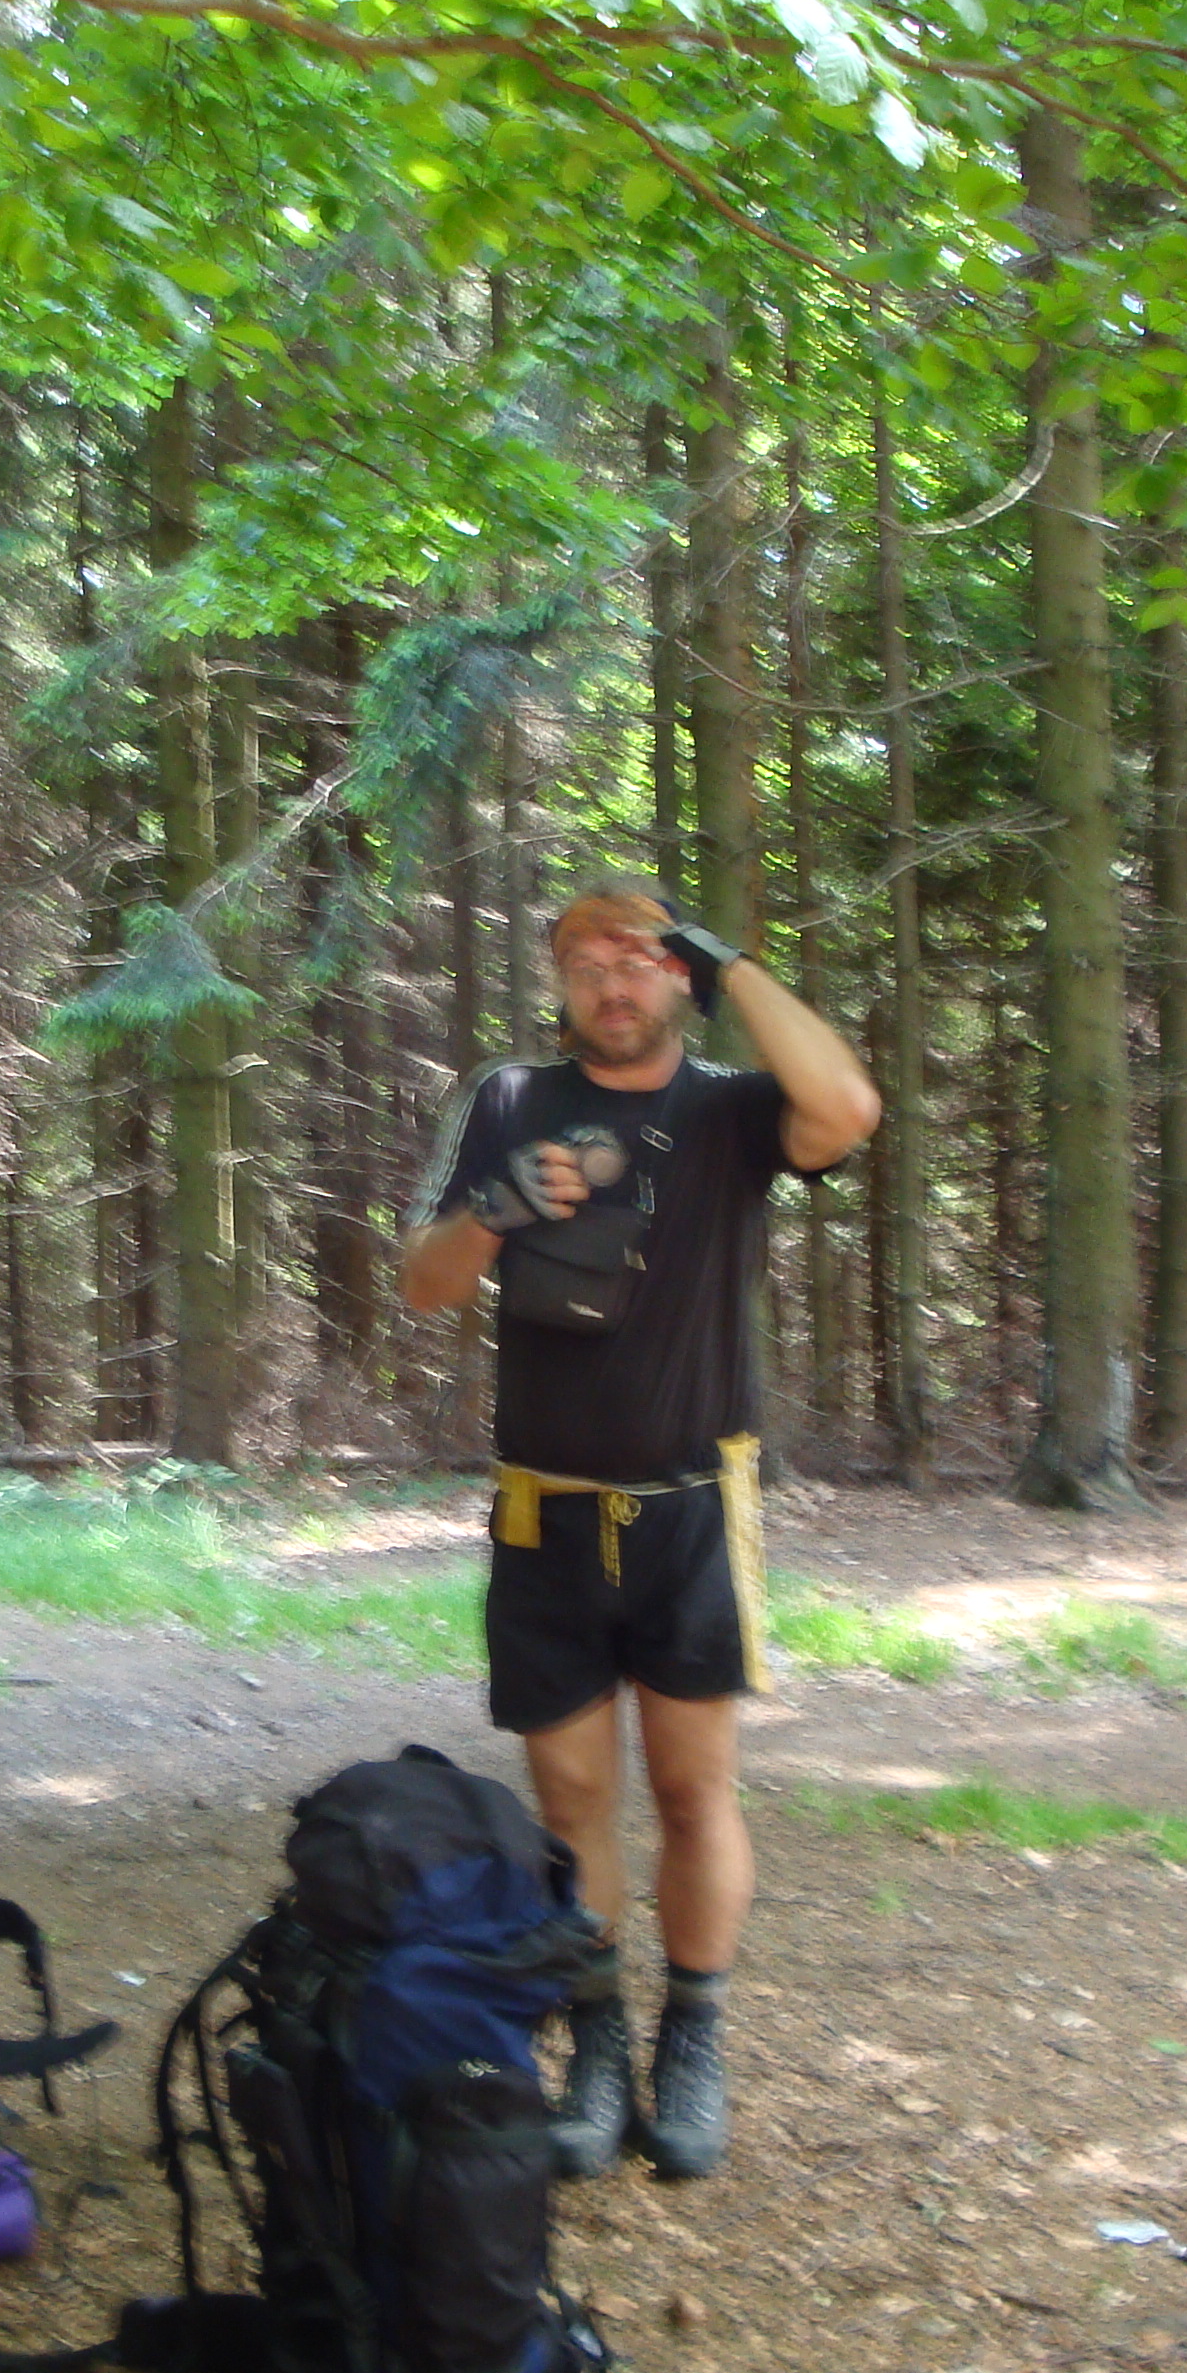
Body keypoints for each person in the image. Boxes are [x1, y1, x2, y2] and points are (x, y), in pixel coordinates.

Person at [397, 885, 882, 2178]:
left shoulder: (732, 1108)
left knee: (691, 1790)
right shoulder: (507, 1099)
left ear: (675, 979)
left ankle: (694, 2043)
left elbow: (847, 1108)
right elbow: (422, 1283)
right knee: (570, 1800)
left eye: (638, 959)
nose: (612, 982)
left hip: (692, 1509)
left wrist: (731, 960)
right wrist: (496, 1208)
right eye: (585, 962)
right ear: (559, 983)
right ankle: (599, 2044)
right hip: (541, 1508)